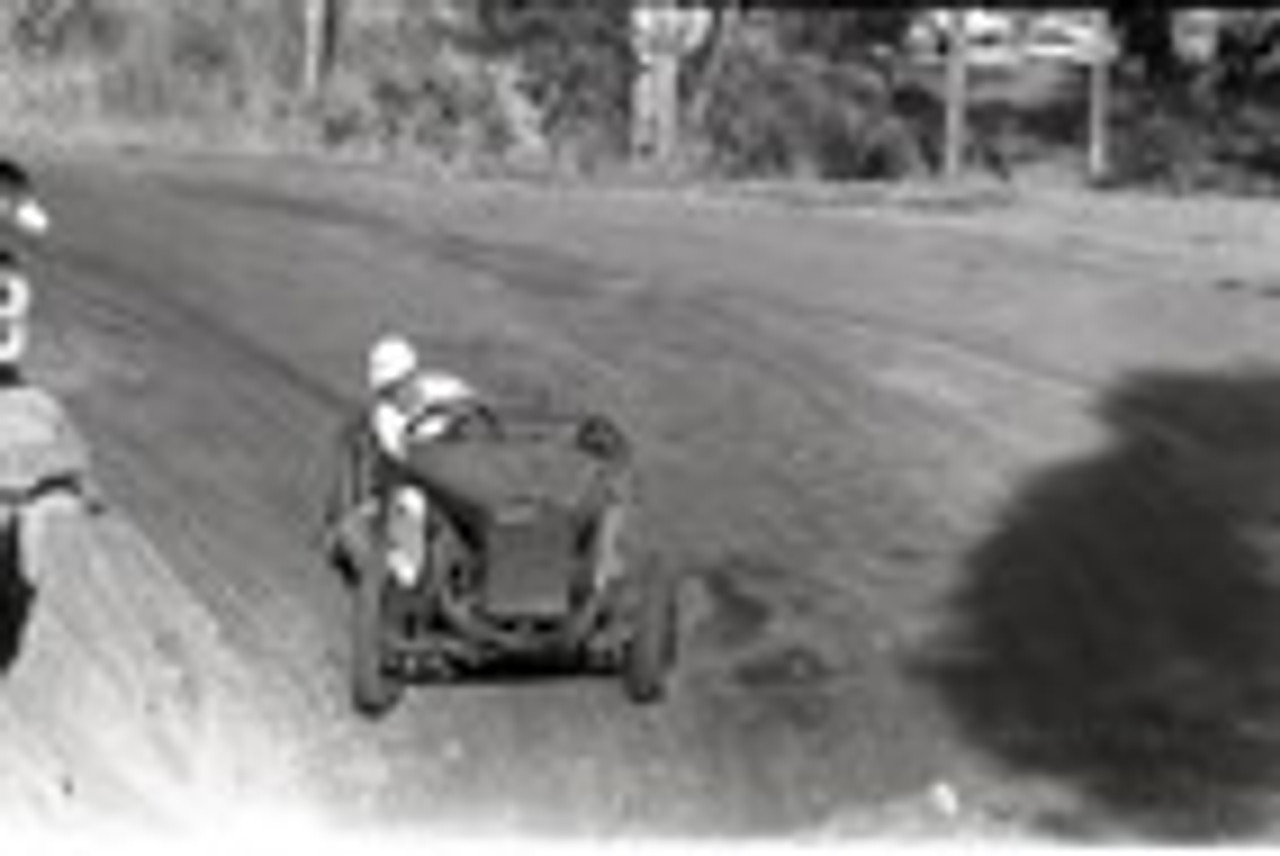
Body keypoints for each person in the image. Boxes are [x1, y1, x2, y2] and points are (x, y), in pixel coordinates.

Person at [364, 334, 479, 586]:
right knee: (411, 503)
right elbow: (404, 457)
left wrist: (465, 414)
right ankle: (406, 579)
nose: (400, 392)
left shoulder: (446, 387)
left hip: (467, 465)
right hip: (422, 480)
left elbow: (476, 408)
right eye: (391, 389)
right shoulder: (385, 418)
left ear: (414, 374)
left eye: (404, 381)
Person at [0, 251, 33, 388]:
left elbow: (14, 314)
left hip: (9, 352)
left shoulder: (18, 288)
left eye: (7, 270)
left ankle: (8, 375)